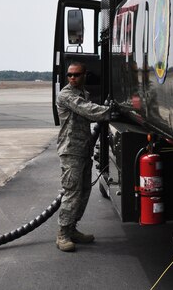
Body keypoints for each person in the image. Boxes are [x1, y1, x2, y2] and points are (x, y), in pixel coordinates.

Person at [54, 61, 112, 252]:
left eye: (76, 75)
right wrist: (112, 111)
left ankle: (72, 229)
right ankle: (62, 234)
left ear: (84, 75)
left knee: (84, 191)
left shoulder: (83, 94)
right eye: (69, 75)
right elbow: (88, 110)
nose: (72, 78)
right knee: (72, 192)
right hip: (71, 151)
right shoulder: (66, 95)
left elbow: (89, 111)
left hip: (83, 149)